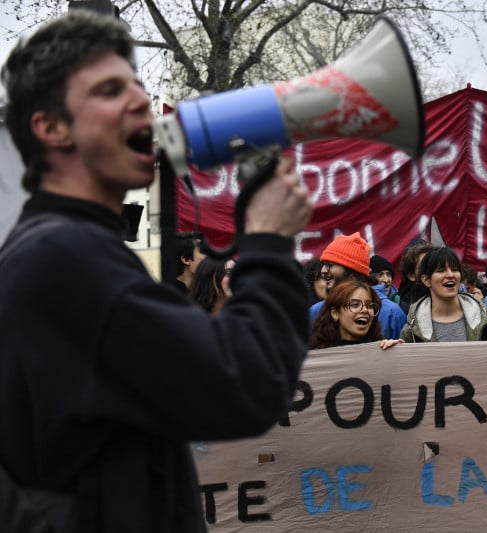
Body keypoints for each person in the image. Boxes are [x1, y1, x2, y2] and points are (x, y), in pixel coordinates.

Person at [0, 12, 313, 532]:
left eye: (138, 86)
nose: (141, 102)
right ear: (50, 128)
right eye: (108, 90)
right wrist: (268, 242)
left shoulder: (50, 249)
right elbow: (246, 382)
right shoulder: (68, 260)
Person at [400, 247, 487, 342]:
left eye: (455, 269)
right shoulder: (413, 328)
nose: (450, 275)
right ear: (426, 280)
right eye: (441, 270)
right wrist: (393, 350)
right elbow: (403, 363)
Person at [310, 232, 407, 339]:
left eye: (330, 265)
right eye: (323, 265)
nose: (323, 271)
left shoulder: (392, 314)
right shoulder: (315, 312)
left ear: (352, 273)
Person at [310, 280, 404, 350]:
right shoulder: (313, 354)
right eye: (355, 305)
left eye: (369, 306)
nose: (364, 310)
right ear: (335, 314)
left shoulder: (382, 349)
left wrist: (395, 352)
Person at [397, 240, 432, 313]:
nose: (431, 269)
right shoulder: (405, 310)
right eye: (424, 266)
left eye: (432, 263)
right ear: (411, 275)